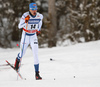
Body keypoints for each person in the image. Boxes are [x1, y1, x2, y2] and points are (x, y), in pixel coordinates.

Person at [14, 3, 43, 80]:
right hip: (25, 36)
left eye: (35, 9)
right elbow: (19, 26)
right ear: (29, 9)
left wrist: (38, 30)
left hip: (33, 36)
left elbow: (40, 22)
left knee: (35, 54)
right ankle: (17, 59)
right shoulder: (25, 15)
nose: (34, 11)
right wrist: (25, 21)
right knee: (22, 53)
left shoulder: (39, 16)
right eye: (32, 9)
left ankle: (37, 74)